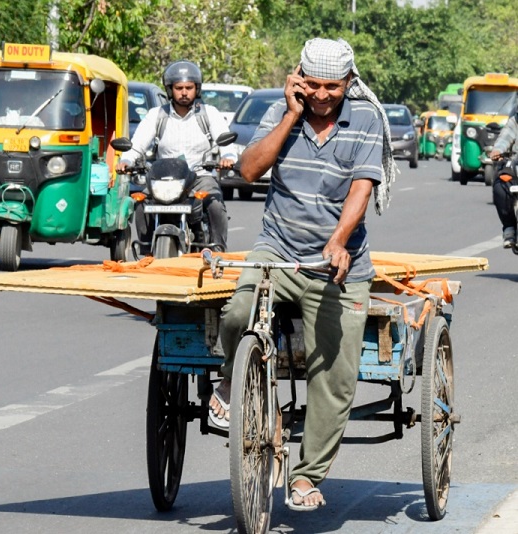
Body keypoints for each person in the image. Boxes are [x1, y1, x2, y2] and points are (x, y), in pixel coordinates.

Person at [209, 38, 395, 511]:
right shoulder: (281, 113)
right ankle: (231, 378)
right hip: (277, 248)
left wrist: (338, 242)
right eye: (312, 84)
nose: (322, 94)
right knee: (235, 314)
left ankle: (307, 477)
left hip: (337, 263)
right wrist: (290, 115)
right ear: (298, 78)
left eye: (332, 86)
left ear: (348, 83)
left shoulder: (366, 119)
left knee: (333, 374)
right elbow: (249, 170)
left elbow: (361, 187)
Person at [116, 60, 236, 252]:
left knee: (215, 204)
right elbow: (137, 144)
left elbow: (225, 141)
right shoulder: (157, 115)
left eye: (189, 87)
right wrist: (126, 160)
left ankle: (217, 251)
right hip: (165, 179)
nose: (184, 92)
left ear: (197, 89)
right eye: (179, 88)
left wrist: (228, 157)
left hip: (200, 176)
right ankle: (146, 250)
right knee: (140, 202)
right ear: (170, 89)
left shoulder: (209, 114)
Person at [489, 110, 518, 249]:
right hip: (515, 167)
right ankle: (509, 227)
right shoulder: (515, 120)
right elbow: (505, 137)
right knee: (500, 186)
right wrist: (498, 150)